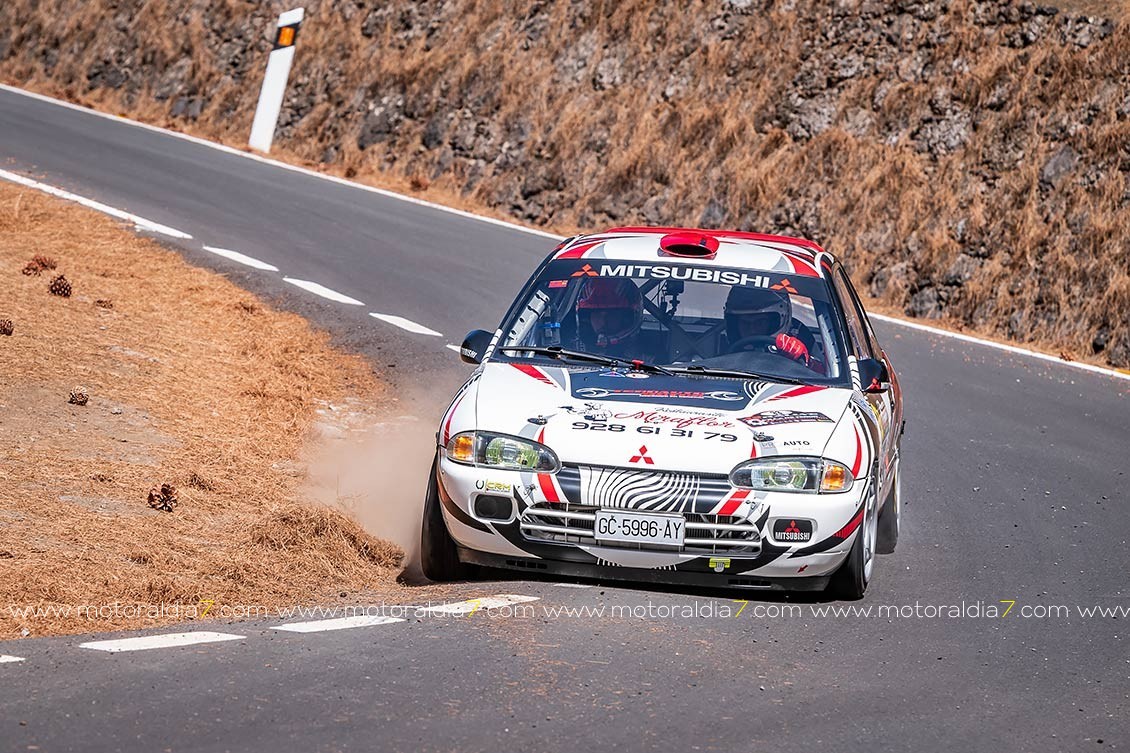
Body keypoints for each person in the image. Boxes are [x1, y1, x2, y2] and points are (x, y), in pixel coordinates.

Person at [723, 285, 814, 368]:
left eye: (760, 322)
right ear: (734, 324)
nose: (752, 329)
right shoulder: (714, 339)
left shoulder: (801, 334)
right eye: (745, 323)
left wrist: (806, 361)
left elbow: (823, 376)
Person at [575, 278, 644, 357]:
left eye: (611, 314)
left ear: (627, 319)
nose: (603, 321)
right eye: (597, 314)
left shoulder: (650, 360)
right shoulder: (568, 350)